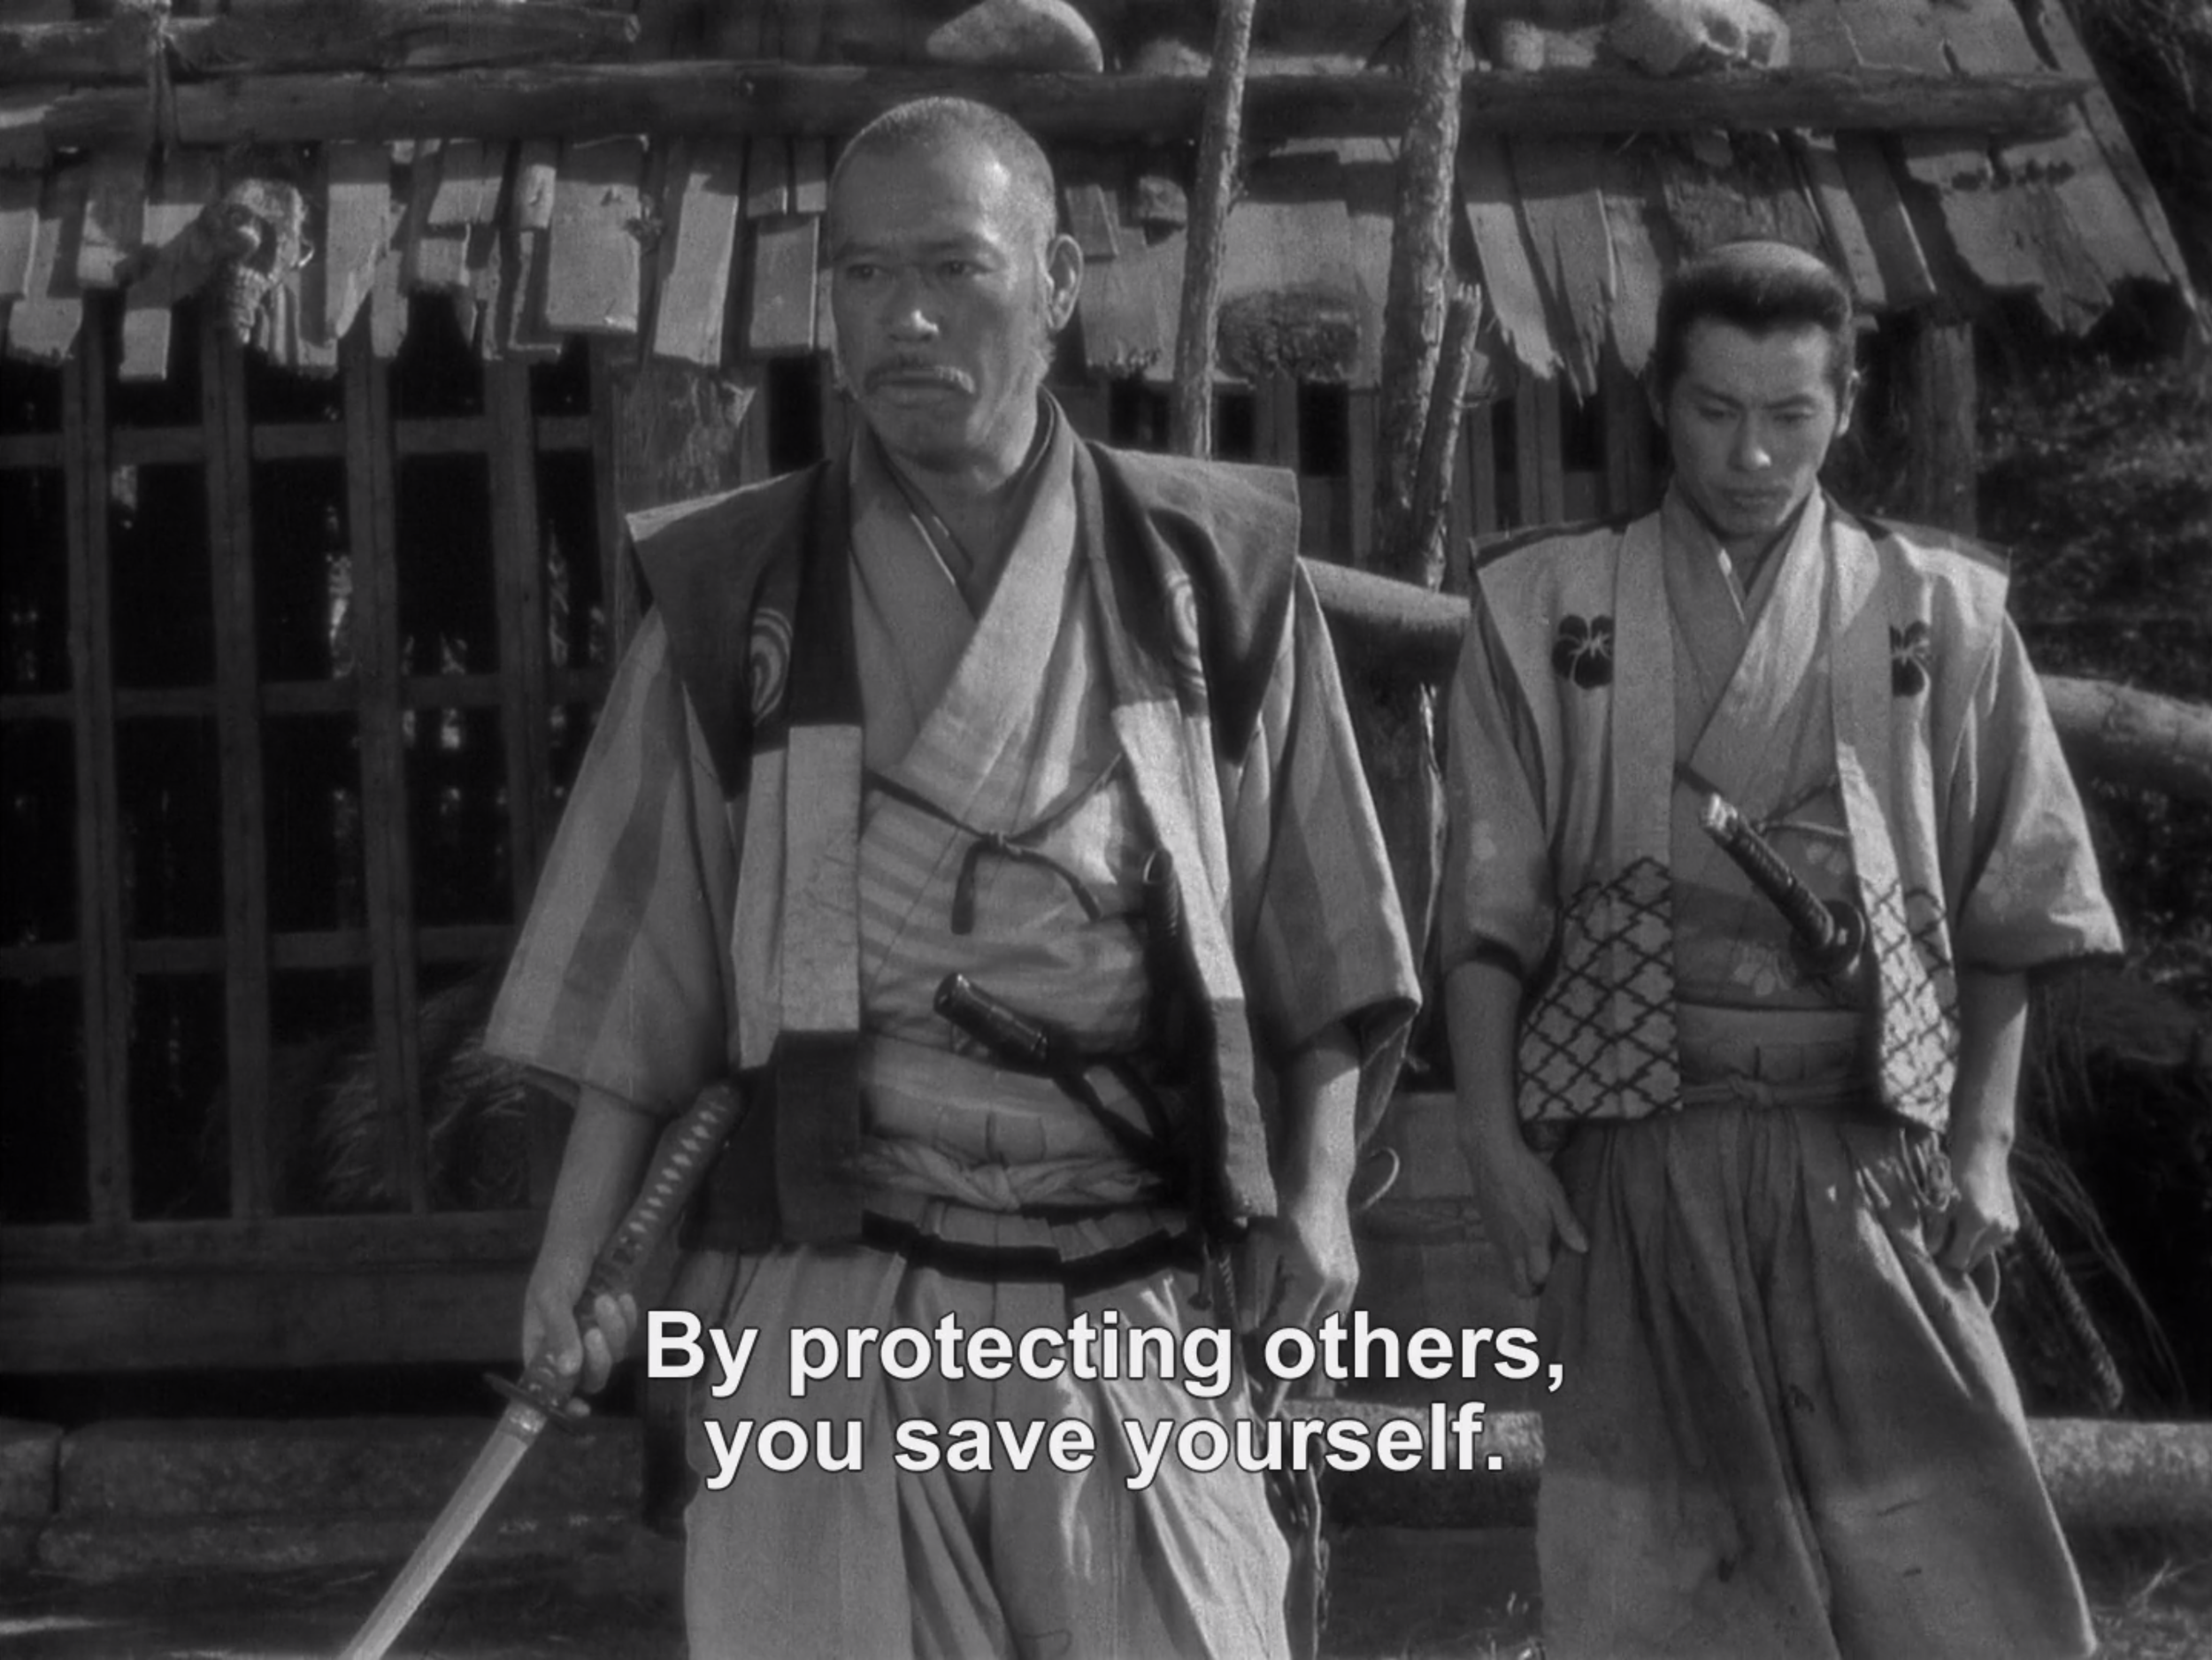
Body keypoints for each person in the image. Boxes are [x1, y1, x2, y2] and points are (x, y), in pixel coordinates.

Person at [486, 96, 1418, 1659]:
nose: (903, 317)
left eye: (952, 269)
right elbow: (645, 977)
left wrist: (1318, 1196)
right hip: (830, 1287)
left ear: (1055, 283)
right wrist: (578, 1248)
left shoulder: (1204, 574)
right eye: (862, 275)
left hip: (1124, 1281)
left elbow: (1320, 941)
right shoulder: (737, 590)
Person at [1440, 240, 2120, 1659]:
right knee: (1664, 1584)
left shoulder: (1939, 614)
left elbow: (2016, 905)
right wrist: (1496, 1146)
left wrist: (1986, 1144)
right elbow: (1489, 913)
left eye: (1790, 415)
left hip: (1871, 1162)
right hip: (1637, 1155)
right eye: (1715, 411)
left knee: (1950, 1574)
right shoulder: (1546, 606)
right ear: (1658, 401)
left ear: (1846, 404)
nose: (1751, 455)